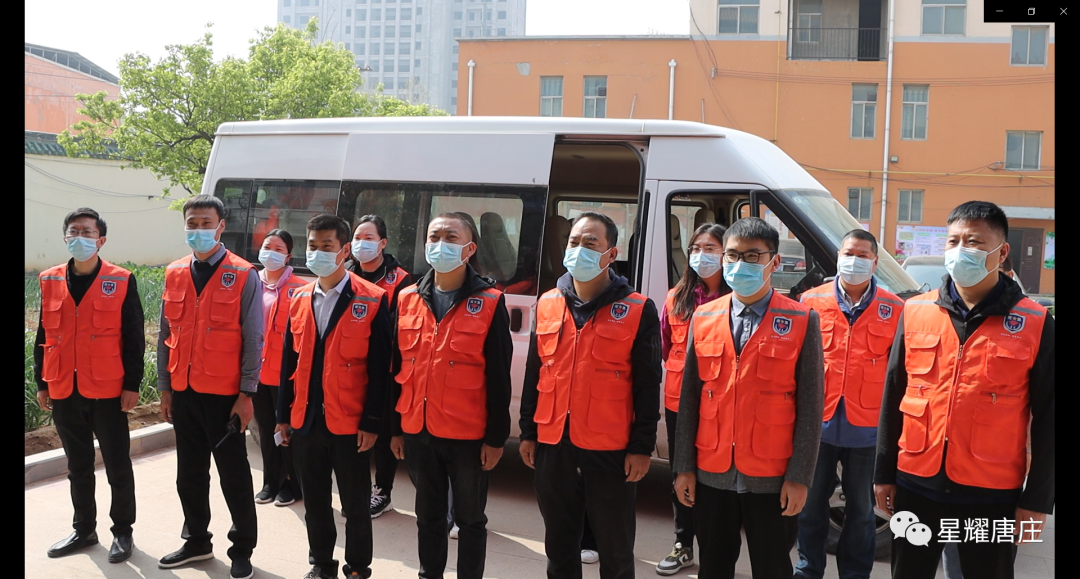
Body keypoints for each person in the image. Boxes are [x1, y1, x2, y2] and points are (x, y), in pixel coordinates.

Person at [874, 201, 1055, 579]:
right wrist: (883, 472)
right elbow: (893, 396)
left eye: (973, 242)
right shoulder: (916, 311)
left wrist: (1038, 500)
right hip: (916, 484)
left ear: (1001, 253)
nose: (960, 250)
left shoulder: (1035, 323)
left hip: (990, 493)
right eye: (953, 241)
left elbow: (1049, 419)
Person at [673, 217, 824, 579]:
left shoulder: (801, 319)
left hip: (772, 477)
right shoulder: (704, 316)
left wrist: (799, 477)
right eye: (732, 255)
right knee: (713, 567)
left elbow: (811, 407)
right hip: (713, 472)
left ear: (774, 262)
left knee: (772, 568)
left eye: (753, 256)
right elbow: (690, 399)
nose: (740, 264)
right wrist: (683, 468)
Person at [519, 211, 663, 579]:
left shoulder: (636, 308)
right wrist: (528, 432)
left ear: (611, 254)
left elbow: (648, 386)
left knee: (615, 554)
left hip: (609, 451)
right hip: (554, 446)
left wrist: (641, 446)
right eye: (573, 242)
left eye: (590, 243)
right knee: (559, 551)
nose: (579, 249)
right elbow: (536, 372)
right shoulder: (548, 303)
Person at [389, 212, 513, 579]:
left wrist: (495, 439)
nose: (440, 244)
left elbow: (499, 376)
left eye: (451, 237)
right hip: (419, 430)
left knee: (470, 519)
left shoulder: (490, 301)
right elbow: (397, 368)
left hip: (468, 436)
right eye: (434, 236)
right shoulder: (407, 297)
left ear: (469, 248)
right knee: (428, 516)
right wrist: (396, 428)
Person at [275, 215, 393, 579]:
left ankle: (357, 568)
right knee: (315, 503)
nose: (318, 252)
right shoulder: (298, 297)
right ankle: (322, 566)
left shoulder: (371, 299)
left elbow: (381, 370)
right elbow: (289, 362)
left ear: (345, 250)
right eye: (312, 245)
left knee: (355, 506)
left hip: (350, 423)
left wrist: (373, 422)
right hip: (306, 422)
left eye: (327, 246)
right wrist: (282, 416)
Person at [156, 194, 261, 579]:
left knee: (234, 476)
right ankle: (197, 541)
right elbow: (165, 335)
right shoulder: (174, 272)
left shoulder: (244, 273)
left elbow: (254, 338)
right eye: (192, 224)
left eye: (206, 223)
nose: (198, 230)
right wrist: (165, 388)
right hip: (184, 392)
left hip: (225, 397)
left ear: (221, 227)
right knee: (189, 475)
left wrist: (246, 395)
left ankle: (242, 549)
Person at [34, 208, 143, 564]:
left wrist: (132, 384)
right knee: (78, 465)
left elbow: (134, 337)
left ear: (101, 239)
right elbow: (43, 335)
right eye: (73, 231)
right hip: (64, 387)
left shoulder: (121, 279)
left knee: (117, 464)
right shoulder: (49, 278)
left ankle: (123, 531)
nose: (79, 237)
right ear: (65, 236)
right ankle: (84, 529)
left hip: (108, 389)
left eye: (87, 231)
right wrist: (42, 382)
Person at [794, 229, 904, 579]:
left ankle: (855, 574)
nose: (853, 261)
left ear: (875, 262)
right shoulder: (810, 301)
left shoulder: (895, 309)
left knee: (861, 512)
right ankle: (808, 569)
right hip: (818, 427)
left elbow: (900, 373)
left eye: (862, 255)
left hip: (868, 431)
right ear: (838, 257)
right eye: (848, 254)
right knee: (811, 506)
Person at [656, 223, 730, 576]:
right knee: (681, 473)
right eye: (696, 248)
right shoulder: (676, 297)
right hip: (679, 403)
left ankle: (714, 548)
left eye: (711, 248)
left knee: (715, 477)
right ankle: (683, 544)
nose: (702, 255)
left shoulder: (736, 298)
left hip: (721, 402)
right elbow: (665, 346)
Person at [346, 215, 413, 519]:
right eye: (357, 238)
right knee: (352, 431)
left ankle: (382, 491)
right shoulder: (346, 274)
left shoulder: (400, 280)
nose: (361, 243)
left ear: (383, 243)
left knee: (384, 434)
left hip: (385, 369)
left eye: (369, 238)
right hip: (350, 366)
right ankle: (357, 490)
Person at [252, 229, 306, 507]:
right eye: (267, 246)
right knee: (264, 429)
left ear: (289, 255)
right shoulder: (251, 283)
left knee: (286, 430)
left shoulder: (300, 288)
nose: (271, 252)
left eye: (278, 248)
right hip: (256, 373)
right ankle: (270, 482)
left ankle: (292, 484)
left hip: (285, 375)